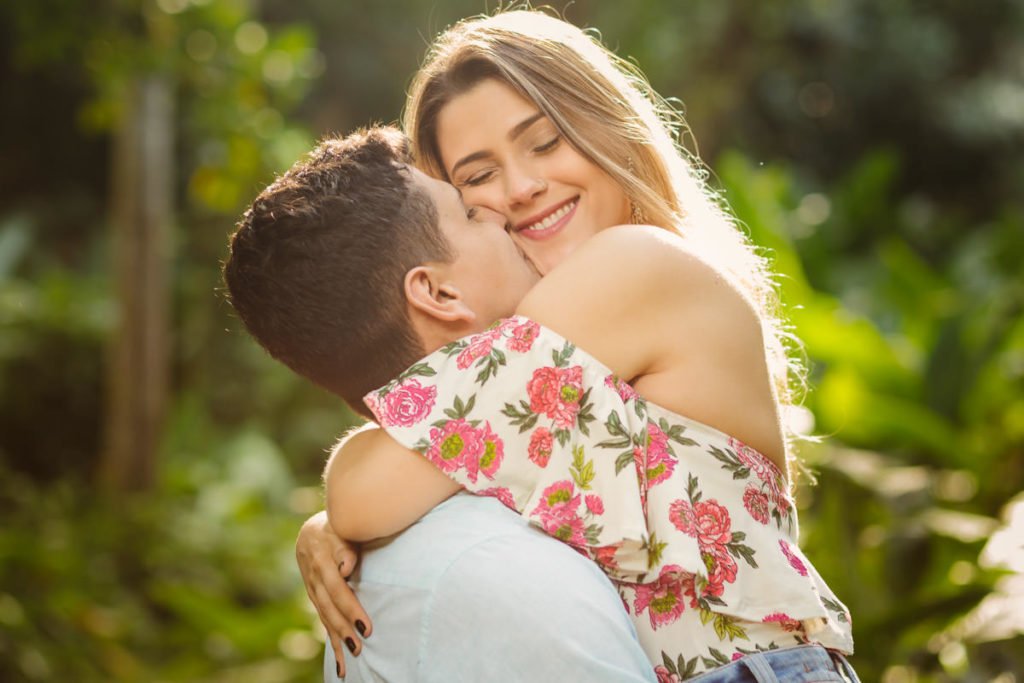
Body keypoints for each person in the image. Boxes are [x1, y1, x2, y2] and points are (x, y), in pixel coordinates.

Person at [294, 9, 859, 682]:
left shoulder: (634, 267)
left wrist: (334, 520)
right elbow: (412, 456)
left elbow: (376, 484)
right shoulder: (561, 346)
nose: (522, 186)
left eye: (544, 142)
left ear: (607, 128)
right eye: (478, 177)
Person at [224, 127, 658, 682]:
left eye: (546, 143)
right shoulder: (508, 574)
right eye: (471, 205)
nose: (503, 209)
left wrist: (326, 522)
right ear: (439, 293)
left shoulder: (388, 549)